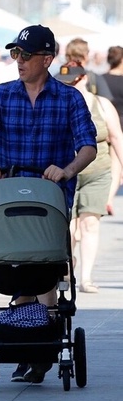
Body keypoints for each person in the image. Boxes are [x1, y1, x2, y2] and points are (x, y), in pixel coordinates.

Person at [0, 24, 97, 383]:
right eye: (15, 54)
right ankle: (26, 345)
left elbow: (88, 145)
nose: (19, 61)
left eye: (25, 55)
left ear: (47, 58)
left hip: (49, 197)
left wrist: (67, 169)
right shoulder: (2, 94)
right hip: (9, 195)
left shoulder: (69, 98)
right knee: (13, 263)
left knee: (45, 264)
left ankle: (40, 344)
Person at [56, 61, 123, 293]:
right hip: (67, 172)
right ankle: (67, 268)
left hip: (98, 172)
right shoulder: (59, 103)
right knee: (70, 227)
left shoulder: (102, 104)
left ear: (84, 78)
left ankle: (86, 278)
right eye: (64, 82)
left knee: (90, 224)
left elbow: (116, 137)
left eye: (73, 81)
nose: (69, 86)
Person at [103, 46, 123, 214]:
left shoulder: (100, 79)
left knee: (104, 165)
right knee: (116, 165)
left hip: (102, 125)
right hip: (119, 127)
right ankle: (109, 198)